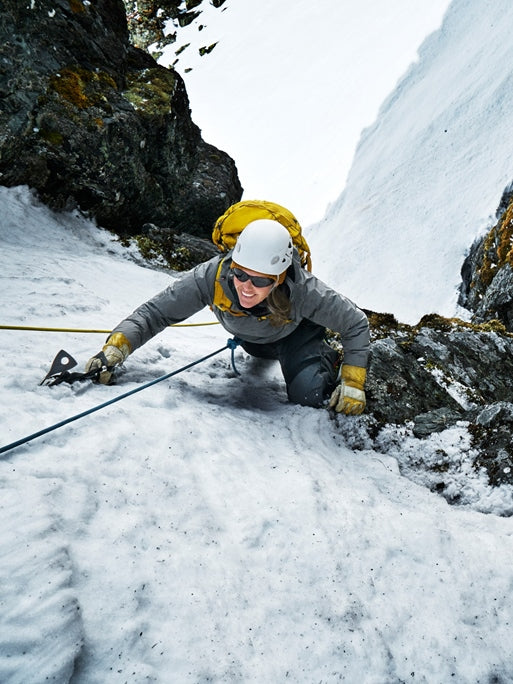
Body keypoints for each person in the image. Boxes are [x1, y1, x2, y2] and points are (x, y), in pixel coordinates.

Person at [85, 214, 370, 415]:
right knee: (258, 346)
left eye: (260, 281)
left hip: (297, 337)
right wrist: (117, 347)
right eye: (240, 274)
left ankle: (325, 356)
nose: (246, 287)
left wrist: (353, 380)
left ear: (280, 278)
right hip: (252, 340)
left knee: (308, 395)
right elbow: (155, 313)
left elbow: (355, 323)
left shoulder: (305, 290)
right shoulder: (210, 277)